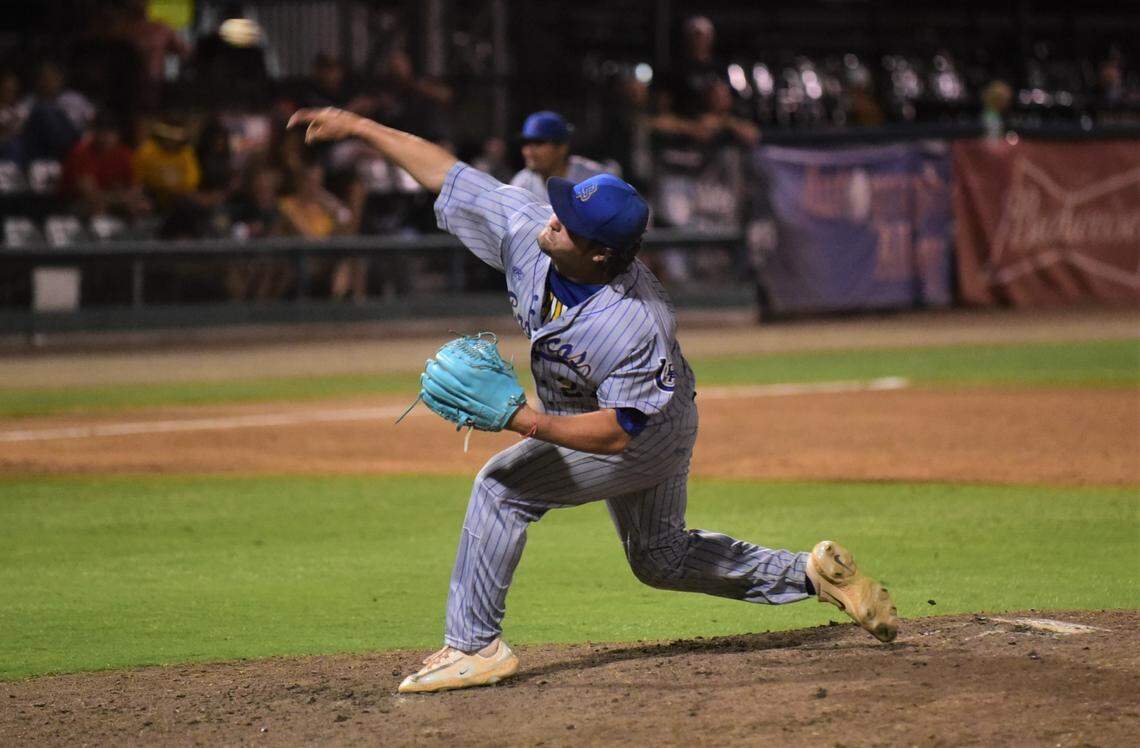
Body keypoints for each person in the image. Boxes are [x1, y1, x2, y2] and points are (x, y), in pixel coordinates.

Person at [287, 106, 900, 694]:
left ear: (601, 254)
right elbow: (446, 173)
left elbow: (615, 436)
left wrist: (522, 419)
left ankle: (475, 647)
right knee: (658, 558)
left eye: (567, 224)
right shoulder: (532, 233)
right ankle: (808, 573)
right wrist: (360, 126)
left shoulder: (634, 322)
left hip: (639, 431)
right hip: (625, 418)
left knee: (502, 488)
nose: (550, 221)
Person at [509, 110, 611, 202]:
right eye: (526, 143)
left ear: (562, 147)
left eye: (538, 143)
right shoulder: (522, 183)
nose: (528, 151)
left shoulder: (593, 179)